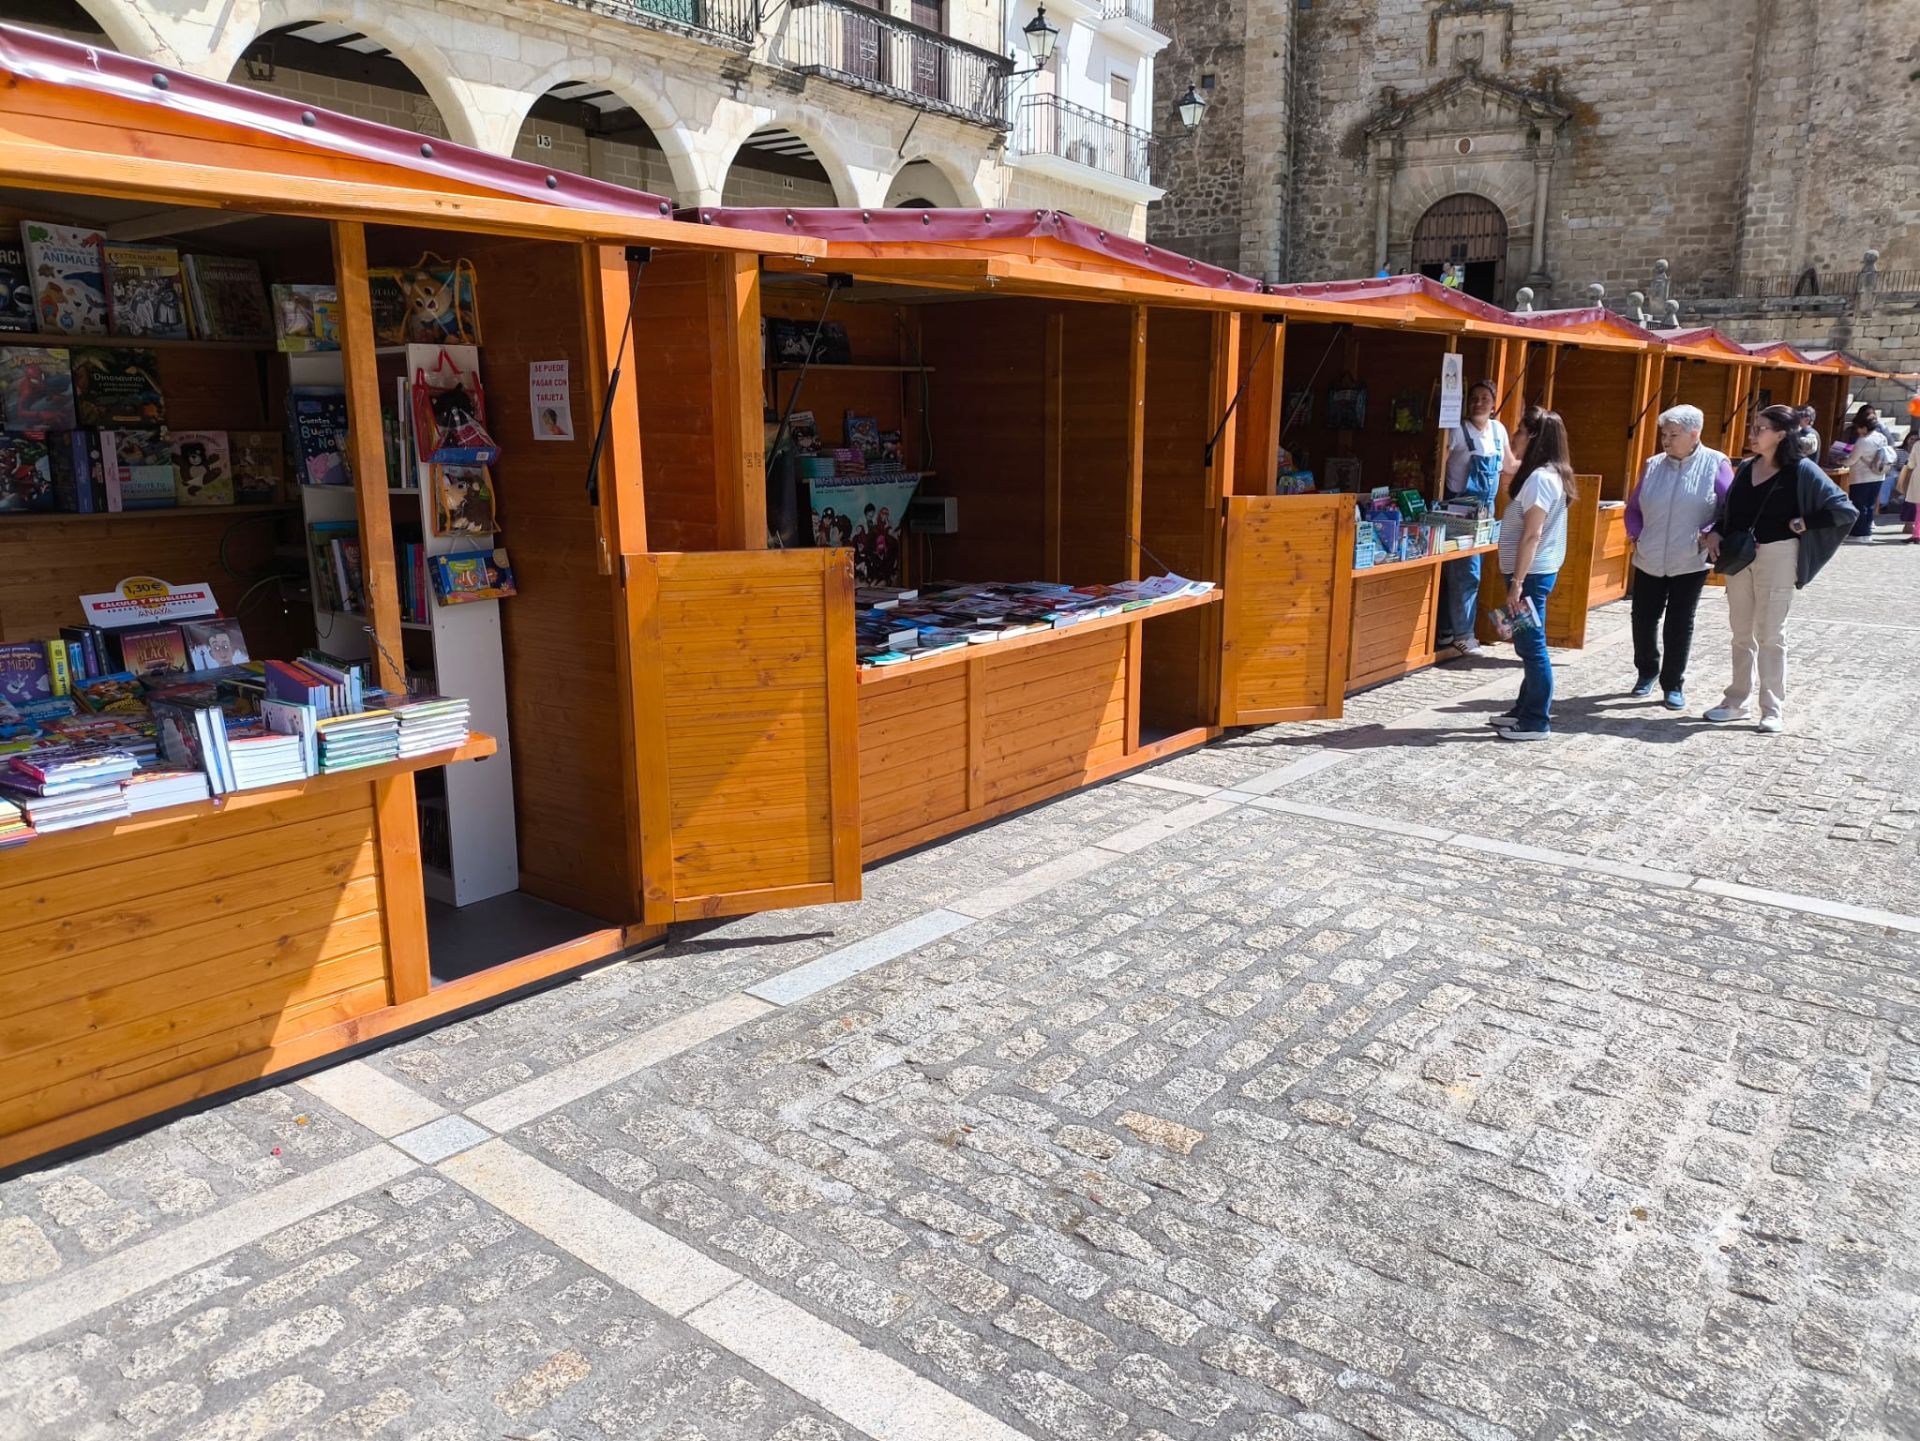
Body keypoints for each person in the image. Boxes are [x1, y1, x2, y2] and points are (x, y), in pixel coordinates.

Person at [1703, 404, 1857, 733]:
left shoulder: (1801, 470)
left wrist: (1804, 523)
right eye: (1753, 427)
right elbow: (1729, 510)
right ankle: (1736, 701)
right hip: (1740, 558)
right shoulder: (1745, 468)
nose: (1752, 434)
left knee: (1771, 634)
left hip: (1779, 556)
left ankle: (1772, 708)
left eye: (1760, 429)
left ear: (1781, 434)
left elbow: (1844, 509)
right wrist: (1716, 529)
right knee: (1741, 632)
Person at [1623, 404, 1732, 709]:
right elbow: (1633, 508)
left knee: (1679, 622)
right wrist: (1636, 534)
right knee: (1643, 618)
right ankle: (1646, 672)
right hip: (1649, 554)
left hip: (1690, 557)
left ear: (1694, 434)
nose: (1666, 440)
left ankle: (1672, 684)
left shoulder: (1716, 464)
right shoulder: (1653, 464)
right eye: (1664, 434)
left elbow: (1731, 508)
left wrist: (1712, 530)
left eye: (1673, 434)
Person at [1490, 407, 1575, 741]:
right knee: (1528, 644)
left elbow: (1532, 534)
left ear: (1535, 437)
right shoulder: (1549, 474)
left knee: (1532, 647)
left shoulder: (1542, 479)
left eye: (1521, 432)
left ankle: (1536, 720)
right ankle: (1523, 710)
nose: (1515, 439)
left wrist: (1517, 583)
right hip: (1533, 573)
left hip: (1530, 575)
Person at [1436, 379, 1509, 657]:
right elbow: (1440, 463)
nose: (1478, 402)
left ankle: (1447, 631)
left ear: (1493, 403)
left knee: (1465, 574)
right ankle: (1463, 636)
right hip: (1458, 510)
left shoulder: (1498, 430)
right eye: (1474, 398)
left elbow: (1510, 463)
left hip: (1485, 512)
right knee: (1466, 574)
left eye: (1484, 398)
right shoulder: (1457, 430)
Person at [1842, 404, 1895, 541]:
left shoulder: (1862, 441)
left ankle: (1859, 533)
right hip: (1878, 475)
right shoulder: (1881, 437)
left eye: (1859, 427)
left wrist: (1840, 461)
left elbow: (1852, 460)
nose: (1858, 430)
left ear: (1864, 427)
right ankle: (1867, 532)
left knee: (1859, 505)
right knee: (1870, 505)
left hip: (1861, 477)